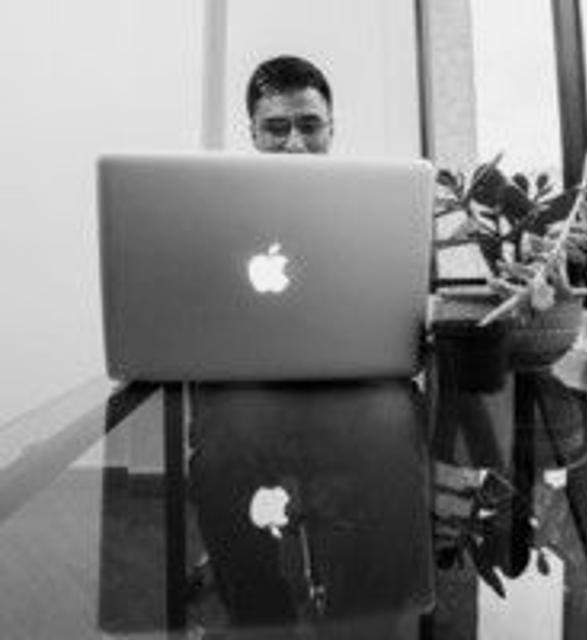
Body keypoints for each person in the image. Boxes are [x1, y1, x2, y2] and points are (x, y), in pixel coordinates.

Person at [189, 55, 433, 639]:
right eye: (276, 128)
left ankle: (362, 623)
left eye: (309, 125)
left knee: (395, 425)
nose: (294, 142)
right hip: (250, 393)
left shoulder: (375, 208)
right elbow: (192, 313)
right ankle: (262, 619)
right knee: (220, 451)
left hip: (350, 392)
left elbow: (405, 301)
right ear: (252, 133)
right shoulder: (211, 214)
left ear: (332, 128)